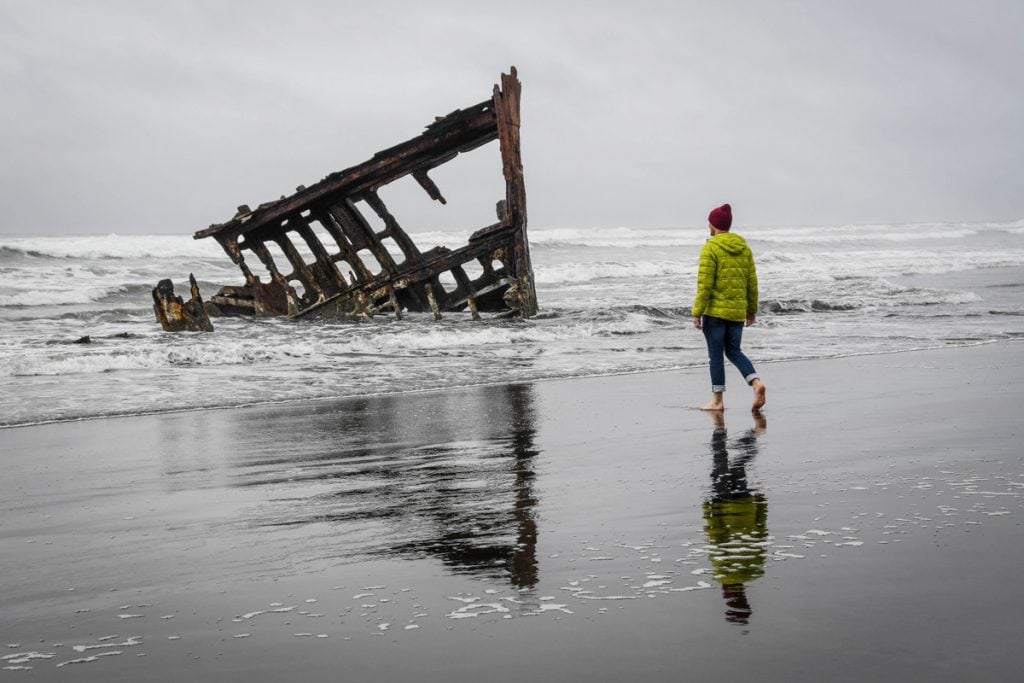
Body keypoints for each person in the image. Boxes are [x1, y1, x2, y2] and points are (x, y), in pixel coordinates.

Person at [692, 203, 766, 412]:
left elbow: (705, 284)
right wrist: (751, 309)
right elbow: (752, 281)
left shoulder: (711, 247)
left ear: (713, 225)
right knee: (734, 350)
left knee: (715, 355)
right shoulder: (744, 248)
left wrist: (697, 312)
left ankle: (717, 401)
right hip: (736, 311)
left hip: (715, 313)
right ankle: (756, 383)